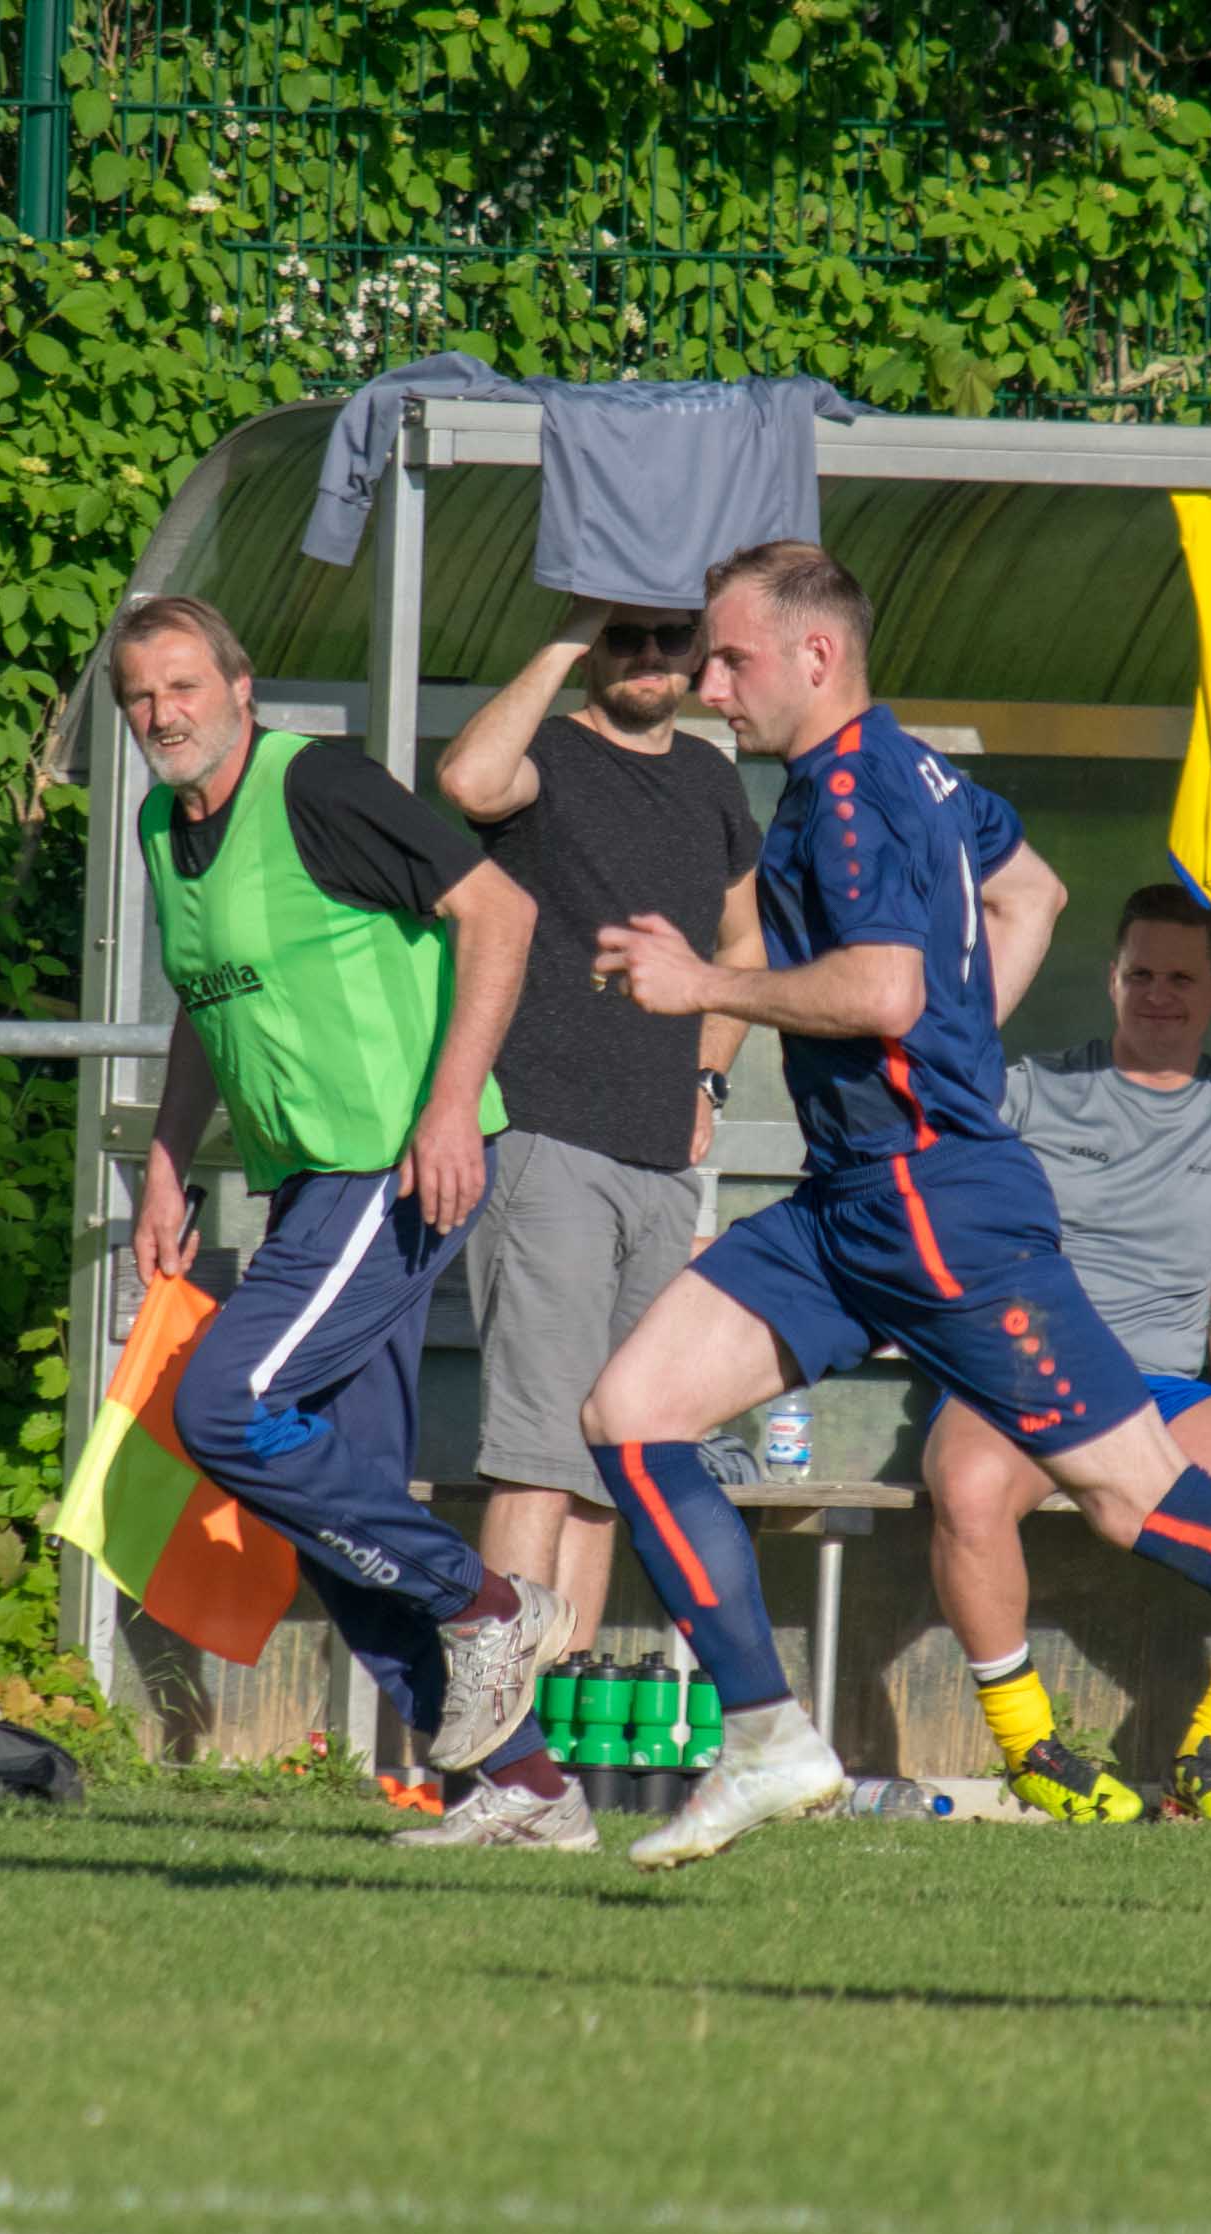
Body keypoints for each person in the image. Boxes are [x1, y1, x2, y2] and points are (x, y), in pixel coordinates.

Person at [577, 541, 1211, 1898]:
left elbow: (887, 989)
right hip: (851, 1199)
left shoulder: (850, 792)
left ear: (815, 656)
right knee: (632, 1412)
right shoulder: (920, 773)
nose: (708, 685)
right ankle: (769, 1736)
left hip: (934, 1208)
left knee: (1141, 1500)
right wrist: (955, 1050)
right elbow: (1034, 893)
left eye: (730, 658)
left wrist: (703, 988)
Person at [111, 595, 583, 1852]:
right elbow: (206, 1001)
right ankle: (525, 1790)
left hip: (395, 1163)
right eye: (141, 695)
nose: (163, 712)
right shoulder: (163, 825)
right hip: (310, 1181)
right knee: (341, 1510)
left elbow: (501, 912)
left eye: (183, 685)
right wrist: (168, 1163)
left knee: (228, 1407)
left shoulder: (318, 785)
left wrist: (449, 1107)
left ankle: (491, 1604)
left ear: (241, 687)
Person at [922, 883, 1211, 1828]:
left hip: (1158, 1394)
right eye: (1141, 975)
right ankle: (1033, 1751)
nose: (1159, 995)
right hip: (1023, 1373)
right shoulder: (1032, 1089)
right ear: (1112, 980)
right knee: (965, 1483)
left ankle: (1210, 1757)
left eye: (1180, 978)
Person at [437, 598, 764, 1671]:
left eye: (671, 638)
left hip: (662, 1158)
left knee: (614, 1452)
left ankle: (562, 1709)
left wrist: (709, 1077)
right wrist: (569, 632)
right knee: (537, 1455)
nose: (650, 656)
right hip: (546, 1135)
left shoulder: (712, 777)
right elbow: (468, 782)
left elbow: (745, 945)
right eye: (626, 636)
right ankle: (501, 1718)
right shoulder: (549, 755)